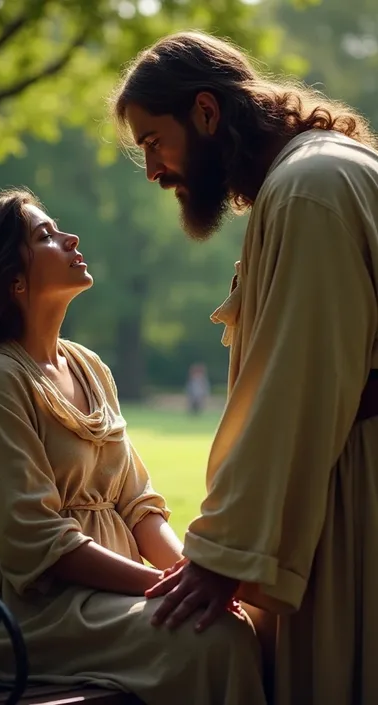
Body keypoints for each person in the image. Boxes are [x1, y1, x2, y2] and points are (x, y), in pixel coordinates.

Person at [0, 189, 266, 705]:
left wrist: (184, 580)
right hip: (29, 613)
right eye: (45, 236)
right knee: (216, 639)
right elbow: (37, 542)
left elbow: (139, 503)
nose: (70, 237)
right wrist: (158, 586)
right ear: (13, 281)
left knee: (257, 618)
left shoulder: (88, 366)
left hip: (110, 597)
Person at [111, 30, 378, 705]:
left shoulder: (310, 188)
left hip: (356, 493)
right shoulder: (310, 178)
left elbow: (297, 386)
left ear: (205, 112)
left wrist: (222, 553)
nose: (152, 170)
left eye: (152, 142)